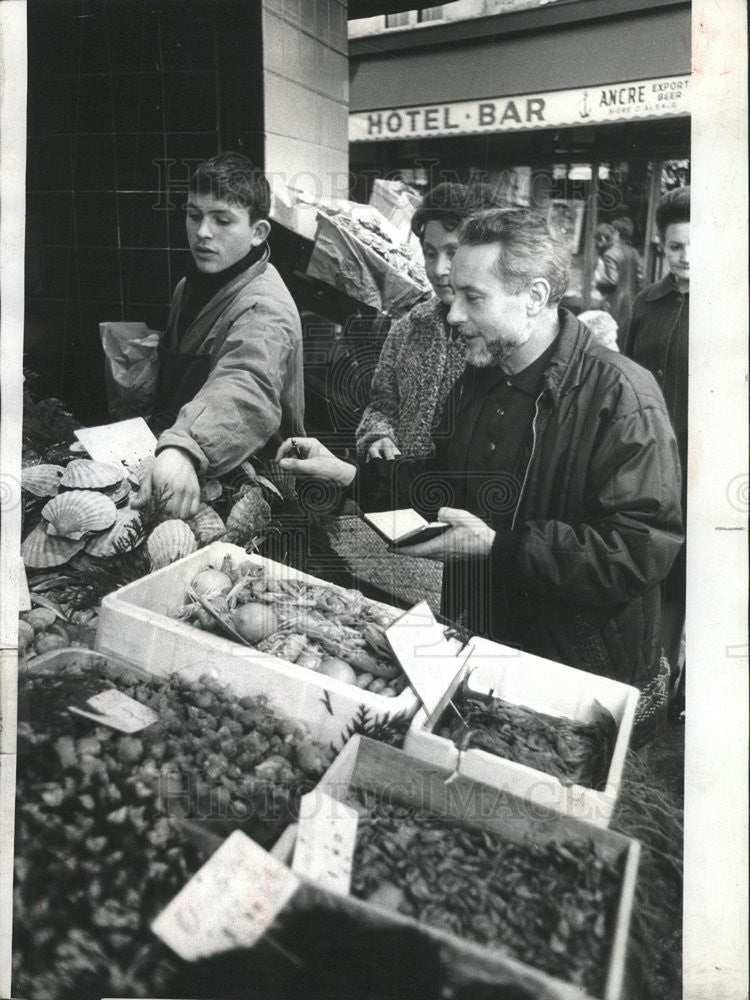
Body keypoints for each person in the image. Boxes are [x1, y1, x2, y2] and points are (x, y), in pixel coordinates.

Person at [279, 208, 683, 689]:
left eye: (473, 298)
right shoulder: (480, 379)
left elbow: (637, 552)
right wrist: (348, 475)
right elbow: (445, 482)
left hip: (575, 673)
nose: (453, 314)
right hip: (482, 645)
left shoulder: (621, 397)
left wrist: (498, 547)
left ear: (533, 296)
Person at [133, 152, 304, 518]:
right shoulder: (188, 286)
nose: (203, 232)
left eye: (222, 220)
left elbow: (247, 383)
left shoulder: (265, 307)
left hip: (252, 488)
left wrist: (186, 446)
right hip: (186, 470)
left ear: (258, 233)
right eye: (194, 215)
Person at [355, 182, 506, 460]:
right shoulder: (409, 328)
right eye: (430, 253)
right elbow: (382, 405)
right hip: (399, 493)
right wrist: (379, 436)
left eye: (453, 252)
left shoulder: (502, 338)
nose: (438, 269)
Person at [623, 186, 689, 690]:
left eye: (697, 244)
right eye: (675, 248)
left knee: (694, 580)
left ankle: (686, 687)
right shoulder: (646, 302)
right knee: (648, 572)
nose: (686, 258)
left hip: (705, 469)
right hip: (646, 465)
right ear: (661, 248)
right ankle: (651, 681)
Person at [593, 221, 641, 341]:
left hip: (616, 302)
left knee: (613, 337)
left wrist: (597, 283)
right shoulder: (634, 252)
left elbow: (611, 280)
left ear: (617, 234)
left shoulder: (610, 253)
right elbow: (641, 277)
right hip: (633, 300)